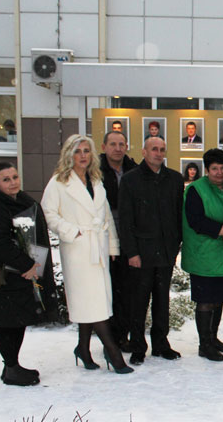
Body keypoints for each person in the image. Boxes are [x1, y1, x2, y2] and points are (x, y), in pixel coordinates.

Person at [41, 135, 132, 374]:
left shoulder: (96, 180)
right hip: (78, 251)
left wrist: (112, 246)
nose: (82, 155)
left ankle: (82, 348)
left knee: (94, 302)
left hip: (98, 249)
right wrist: (73, 232)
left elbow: (106, 215)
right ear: (68, 155)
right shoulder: (59, 182)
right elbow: (48, 214)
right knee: (91, 303)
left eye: (86, 151)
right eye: (77, 151)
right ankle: (113, 352)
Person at [0, 163, 56, 385]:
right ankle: (11, 368)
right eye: (6, 179)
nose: (13, 182)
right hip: (4, 276)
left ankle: (11, 366)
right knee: (8, 323)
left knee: (17, 321)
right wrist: (27, 265)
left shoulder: (19, 200)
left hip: (18, 275)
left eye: (15, 177)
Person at [118, 137, 184, 365]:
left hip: (165, 251)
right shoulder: (130, 180)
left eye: (162, 149)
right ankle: (138, 346)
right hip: (141, 253)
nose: (158, 153)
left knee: (162, 301)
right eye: (154, 149)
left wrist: (176, 244)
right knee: (139, 302)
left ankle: (161, 344)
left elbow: (178, 215)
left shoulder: (174, 179)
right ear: (144, 151)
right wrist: (131, 252)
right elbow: (125, 220)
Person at [181, 149, 223, 362]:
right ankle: (204, 344)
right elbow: (195, 220)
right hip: (203, 255)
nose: (219, 173)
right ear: (206, 170)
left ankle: (213, 338)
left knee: (218, 298)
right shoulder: (196, 189)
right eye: (214, 169)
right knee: (205, 300)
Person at [99, 130, 137, 352]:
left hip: (129, 238)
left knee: (127, 290)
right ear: (104, 147)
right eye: (113, 144)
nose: (118, 148)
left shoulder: (133, 169)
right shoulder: (95, 171)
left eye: (121, 144)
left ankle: (123, 335)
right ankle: (110, 338)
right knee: (109, 290)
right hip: (104, 239)